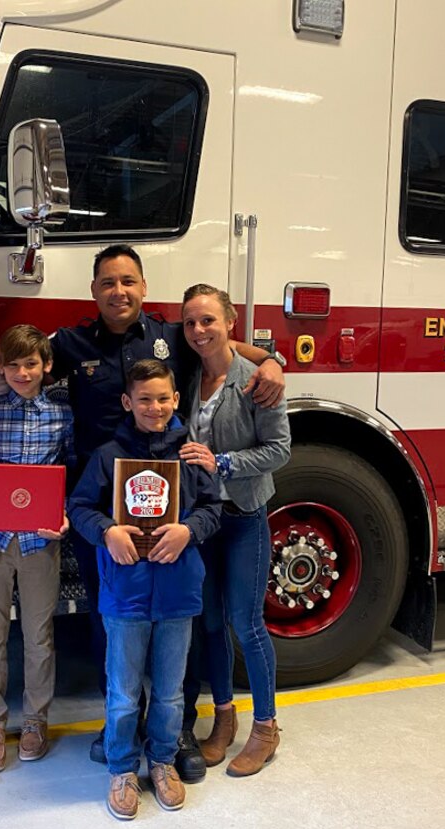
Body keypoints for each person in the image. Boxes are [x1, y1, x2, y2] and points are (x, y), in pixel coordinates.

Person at [50, 244, 286, 779]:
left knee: (187, 618)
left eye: (129, 280)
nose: (119, 291)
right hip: (105, 515)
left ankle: (177, 729)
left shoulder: (170, 334)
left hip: (176, 513)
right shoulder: (71, 343)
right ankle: (122, 728)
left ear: (143, 286)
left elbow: (217, 339)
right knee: (109, 620)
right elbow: (19, 360)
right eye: (108, 282)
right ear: (94, 291)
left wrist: (269, 359)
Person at [68, 360, 221, 819]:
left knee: (172, 691)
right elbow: (78, 507)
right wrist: (107, 531)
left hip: (177, 593)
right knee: (123, 692)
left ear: (176, 400)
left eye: (163, 398)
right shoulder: (108, 456)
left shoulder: (191, 456)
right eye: (144, 399)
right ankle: (120, 766)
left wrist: (189, 531)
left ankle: (161, 761)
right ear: (127, 402)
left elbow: (213, 509)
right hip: (125, 594)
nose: (154, 407)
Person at [179, 284, 291, 776]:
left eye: (208, 320)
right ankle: (223, 719)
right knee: (209, 622)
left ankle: (265, 728)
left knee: (246, 623)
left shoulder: (256, 381)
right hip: (203, 521)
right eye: (190, 323)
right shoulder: (186, 377)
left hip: (245, 516)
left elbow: (280, 450)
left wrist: (220, 462)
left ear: (231, 322)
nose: (199, 331)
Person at [0, 325, 73, 772]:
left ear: (46, 365)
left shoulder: (63, 414)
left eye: (31, 364)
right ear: (0, 369)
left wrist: (63, 513)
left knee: (39, 634)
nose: (22, 373)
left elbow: (70, 466)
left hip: (39, 540)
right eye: (12, 365)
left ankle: (34, 721)